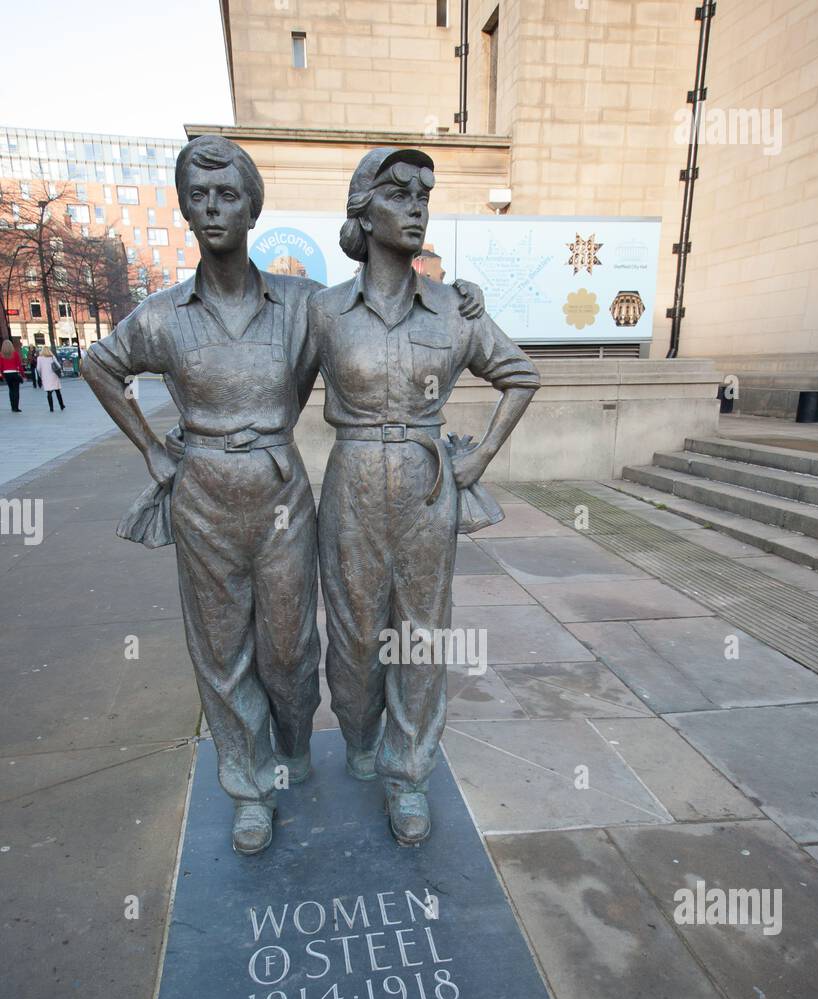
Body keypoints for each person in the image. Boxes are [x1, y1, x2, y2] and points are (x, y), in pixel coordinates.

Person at [81, 134, 485, 856]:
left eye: (228, 193)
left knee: (291, 647)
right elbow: (101, 365)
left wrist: (457, 296)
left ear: (252, 206)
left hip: (280, 495)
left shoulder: (304, 304)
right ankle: (249, 785)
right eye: (198, 195)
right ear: (182, 205)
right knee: (219, 648)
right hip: (202, 491)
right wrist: (151, 449)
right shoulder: (166, 313)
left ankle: (295, 747)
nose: (212, 208)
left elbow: (374, 308)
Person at [307, 147, 539, 847]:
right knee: (351, 649)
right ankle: (359, 729)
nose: (416, 206)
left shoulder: (452, 306)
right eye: (400, 193)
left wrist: (481, 459)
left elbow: (519, 375)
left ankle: (408, 773)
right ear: (363, 209)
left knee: (420, 635)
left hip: (426, 486)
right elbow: (270, 391)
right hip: (350, 486)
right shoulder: (322, 311)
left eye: (425, 195)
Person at [36, 346, 65, 410]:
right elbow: (58, 366)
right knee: (58, 391)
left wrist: (40, 374)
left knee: (49, 393)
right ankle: (61, 405)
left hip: (45, 377)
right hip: (54, 376)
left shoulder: (39, 358)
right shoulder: (52, 357)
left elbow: (38, 368)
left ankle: (51, 408)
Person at [1, 339, 25, 412]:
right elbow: (19, 365)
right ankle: (16, 407)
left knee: (11, 390)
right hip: (14, 373)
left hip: (6, 373)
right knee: (16, 390)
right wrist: (23, 375)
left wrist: (2, 374)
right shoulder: (15, 354)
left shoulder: (1, 355)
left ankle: (12, 407)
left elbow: (1, 366)